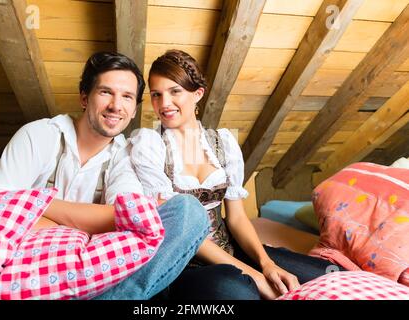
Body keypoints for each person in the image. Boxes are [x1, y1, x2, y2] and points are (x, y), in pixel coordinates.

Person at [0, 51, 210, 300]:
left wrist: (34, 203)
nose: (116, 105)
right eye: (105, 92)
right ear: (84, 97)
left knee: (187, 211)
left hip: (90, 278)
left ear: (134, 110)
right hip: (22, 270)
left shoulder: (125, 156)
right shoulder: (39, 135)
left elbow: (126, 221)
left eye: (127, 97)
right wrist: (87, 228)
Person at [130, 50, 345, 300]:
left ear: (197, 94)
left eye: (174, 91)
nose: (164, 103)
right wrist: (255, 277)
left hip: (230, 247)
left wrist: (265, 264)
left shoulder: (223, 142)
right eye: (156, 94)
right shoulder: (148, 145)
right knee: (239, 292)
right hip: (183, 263)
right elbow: (175, 228)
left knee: (330, 275)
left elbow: (237, 217)